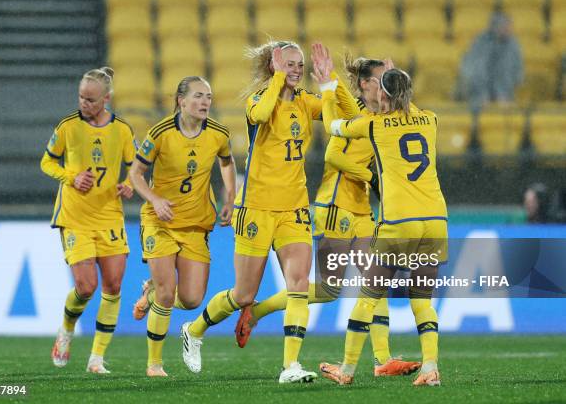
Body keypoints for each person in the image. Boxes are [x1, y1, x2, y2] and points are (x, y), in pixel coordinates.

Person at [233, 51, 421, 378]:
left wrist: (396, 81)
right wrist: (371, 177)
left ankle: (382, 360)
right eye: (379, 81)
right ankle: (257, 312)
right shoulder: (357, 113)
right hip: (337, 208)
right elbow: (334, 154)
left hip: (362, 208)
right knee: (334, 287)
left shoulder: (384, 117)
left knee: (368, 281)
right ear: (364, 85)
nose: (384, 88)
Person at [177, 40, 353, 384]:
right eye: (290, 64)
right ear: (274, 67)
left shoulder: (305, 102)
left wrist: (330, 80)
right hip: (256, 208)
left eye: (300, 65)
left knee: (299, 285)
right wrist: (276, 79)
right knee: (243, 294)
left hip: (294, 209)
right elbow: (259, 115)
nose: (297, 71)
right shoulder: (259, 100)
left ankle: (290, 366)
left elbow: (347, 114)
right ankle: (194, 329)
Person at [312, 43, 448, 387]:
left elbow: (333, 127)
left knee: (369, 296)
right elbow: (407, 101)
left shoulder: (376, 126)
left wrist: (328, 89)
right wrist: (393, 74)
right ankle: (431, 366)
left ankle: (345, 370)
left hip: (399, 221)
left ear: (382, 97)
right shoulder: (430, 120)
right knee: (422, 301)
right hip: (435, 219)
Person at [128, 76, 236, 377]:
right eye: (199, 96)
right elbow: (136, 174)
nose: (205, 102)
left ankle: (150, 295)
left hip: (196, 224)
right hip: (159, 221)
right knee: (167, 292)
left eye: (209, 97)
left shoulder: (218, 133)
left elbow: (227, 162)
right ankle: (154, 364)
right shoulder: (160, 132)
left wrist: (230, 197)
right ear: (181, 100)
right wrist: (155, 199)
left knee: (191, 300)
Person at [40, 67, 136, 374]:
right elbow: (46, 161)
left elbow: (135, 167)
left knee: (113, 285)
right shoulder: (68, 126)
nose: (84, 103)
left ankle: (96, 359)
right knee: (85, 286)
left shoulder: (121, 130)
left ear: (106, 99)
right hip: (76, 216)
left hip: (109, 215)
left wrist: (130, 186)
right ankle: (66, 330)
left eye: (91, 99)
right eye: (81, 97)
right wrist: (70, 176)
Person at [459, 12, 523, 112]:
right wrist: (482, 95)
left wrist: (503, 95)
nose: (509, 29)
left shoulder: (513, 45)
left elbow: (515, 70)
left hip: (505, 95)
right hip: (478, 94)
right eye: (506, 26)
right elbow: (475, 70)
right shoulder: (481, 42)